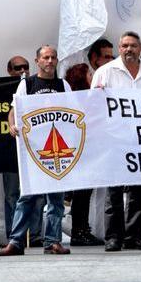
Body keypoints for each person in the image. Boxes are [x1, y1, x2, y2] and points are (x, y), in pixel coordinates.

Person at [91, 32, 141, 251]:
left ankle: (132, 236)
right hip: (113, 140)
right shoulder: (105, 73)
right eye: (124, 46)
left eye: (133, 46)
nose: (128, 50)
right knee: (113, 191)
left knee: (138, 192)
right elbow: (94, 106)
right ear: (119, 47)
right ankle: (113, 237)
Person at [0, 45, 72, 255]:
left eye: (53, 58)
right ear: (38, 61)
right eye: (46, 57)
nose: (50, 61)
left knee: (56, 200)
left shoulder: (62, 84)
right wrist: (12, 125)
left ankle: (52, 242)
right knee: (26, 197)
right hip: (33, 150)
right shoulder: (27, 84)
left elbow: (73, 110)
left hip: (57, 150)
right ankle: (16, 242)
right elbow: (14, 111)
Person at [1, 55, 44, 246]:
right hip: (9, 151)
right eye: (18, 68)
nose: (22, 71)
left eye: (25, 67)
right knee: (12, 194)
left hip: (35, 147)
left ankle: (34, 234)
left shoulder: (32, 85)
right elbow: (11, 112)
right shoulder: (4, 87)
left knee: (38, 194)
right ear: (10, 71)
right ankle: (14, 235)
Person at [61, 63, 105, 246]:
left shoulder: (78, 98)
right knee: (82, 193)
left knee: (84, 193)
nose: (92, 76)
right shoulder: (81, 99)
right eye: (89, 74)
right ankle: (80, 231)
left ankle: (82, 229)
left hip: (84, 151)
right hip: (83, 152)